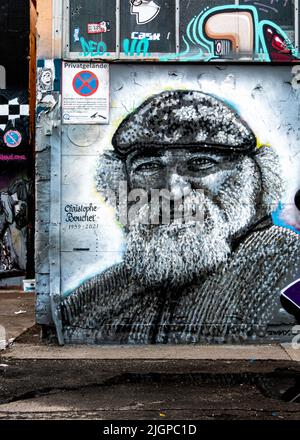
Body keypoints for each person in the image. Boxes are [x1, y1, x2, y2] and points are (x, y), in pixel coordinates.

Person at [61, 90, 300, 344]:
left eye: (202, 162)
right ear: (122, 182)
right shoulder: (92, 299)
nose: (173, 190)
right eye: (149, 166)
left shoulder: (288, 264)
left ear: (255, 179)